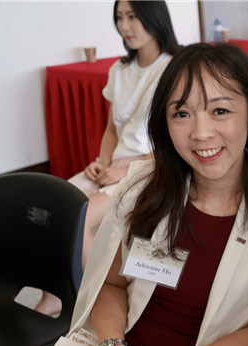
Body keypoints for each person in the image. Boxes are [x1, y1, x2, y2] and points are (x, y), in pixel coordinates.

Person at [29, 42, 248, 346]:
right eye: (182, 113)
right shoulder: (144, 188)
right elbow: (111, 284)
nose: (201, 132)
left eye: (220, 111)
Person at [36, 0, 180, 317]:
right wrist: (102, 162)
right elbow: (113, 128)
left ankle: (102, 304)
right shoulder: (119, 70)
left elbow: (175, 139)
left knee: (79, 215)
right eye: (120, 17)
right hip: (115, 165)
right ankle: (53, 297)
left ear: (154, 17)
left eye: (133, 17)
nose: (125, 26)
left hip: (152, 166)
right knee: (50, 207)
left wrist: (127, 169)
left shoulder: (175, 69)